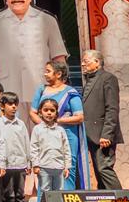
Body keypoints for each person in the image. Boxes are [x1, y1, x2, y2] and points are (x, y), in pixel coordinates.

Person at [0, 0, 68, 116]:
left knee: (43, 127)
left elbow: (58, 57)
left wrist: (61, 88)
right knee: (11, 128)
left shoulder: (47, 20)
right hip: (9, 89)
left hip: (42, 89)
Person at [29, 60, 87, 190]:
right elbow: (32, 112)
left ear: (59, 74)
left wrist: (56, 122)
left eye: (48, 71)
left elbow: (80, 117)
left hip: (68, 134)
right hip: (45, 135)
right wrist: (46, 126)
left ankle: (65, 200)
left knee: (67, 169)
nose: (45, 74)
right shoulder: (42, 90)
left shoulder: (70, 92)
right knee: (44, 169)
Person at [80, 50, 122, 190]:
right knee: (99, 172)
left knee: (104, 168)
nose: (82, 64)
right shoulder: (89, 80)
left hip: (103, 134)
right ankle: (106, 200)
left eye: (86, 61)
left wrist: (107, 134)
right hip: (92, 134)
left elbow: (112, 108)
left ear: (97, 62)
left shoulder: (108, 78)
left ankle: (123, 200)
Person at [0, 92, 30, 202]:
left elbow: (26, 143)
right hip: (6, 165)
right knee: (7, 194)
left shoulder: (21, 124)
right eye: (10, 104)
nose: (14, 107)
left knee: (20, 194)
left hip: (20, 164)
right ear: (2, 106)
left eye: (15, 104)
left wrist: (28, 162)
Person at [29, 98, 70, 202]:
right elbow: (34, 148)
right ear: (40, 112)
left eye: (52, 110)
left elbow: (66, 148)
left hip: (59, 167)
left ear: (56, 113)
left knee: (59, 191)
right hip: (44, 167)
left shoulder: (60, 130)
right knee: (44, 191)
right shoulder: (37, 129)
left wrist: (67, 166)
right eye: (46, 110)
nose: (49, 113)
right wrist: (35, 164)